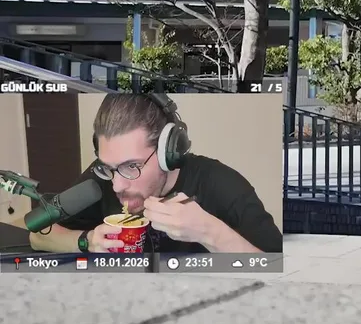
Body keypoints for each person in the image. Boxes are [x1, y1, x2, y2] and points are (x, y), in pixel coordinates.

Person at [27, 92, 283, 254]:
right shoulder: (104, 176)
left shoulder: (222, 184)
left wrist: (210, 232)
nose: (117, 186)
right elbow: (38, 235)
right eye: (109, 167)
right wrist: (87, 241)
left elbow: (278, 271)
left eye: (132, 166)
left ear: (168, 153)